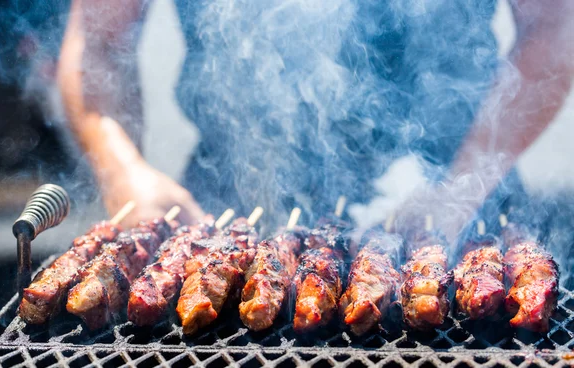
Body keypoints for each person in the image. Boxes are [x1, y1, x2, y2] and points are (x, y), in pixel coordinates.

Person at [57, 0, 574, 240]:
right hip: (229, 213)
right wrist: (125, 174)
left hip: (456, 205)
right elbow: (96, 44)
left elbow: (555, 24)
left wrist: (464, 182)